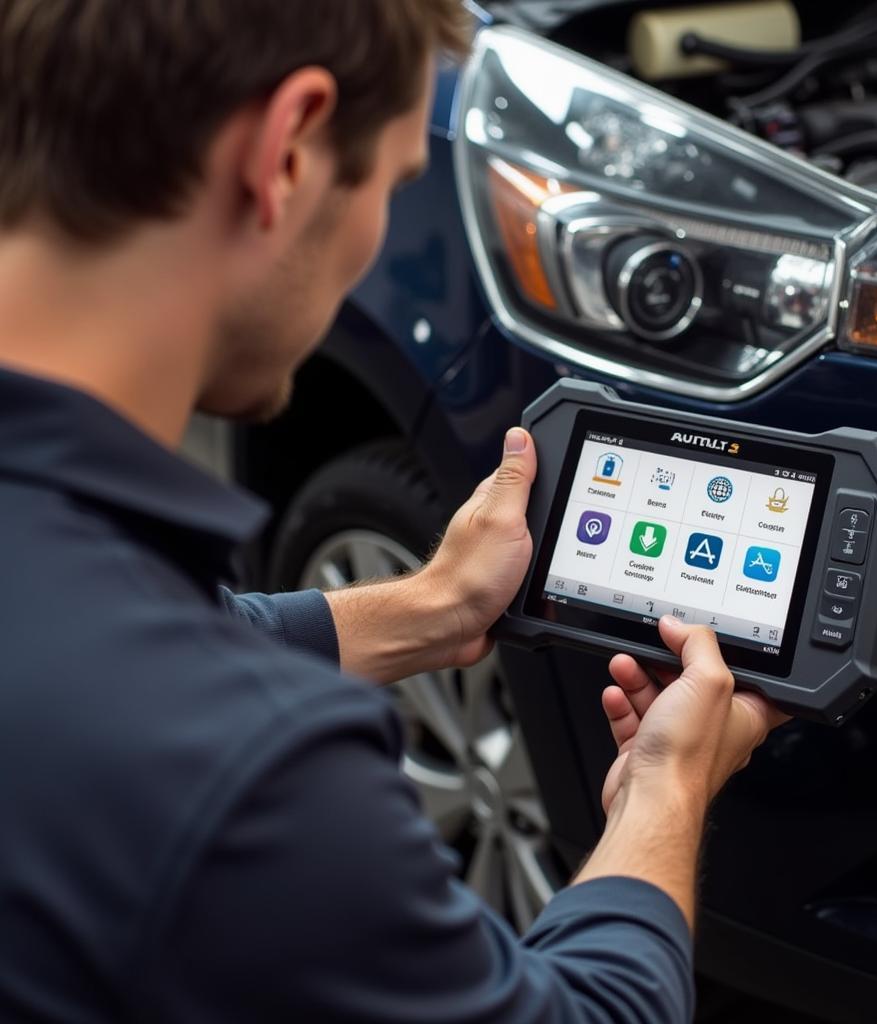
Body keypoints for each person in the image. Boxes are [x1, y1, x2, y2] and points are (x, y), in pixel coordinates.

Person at [0, 3, 787, 1021]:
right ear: (286, 152)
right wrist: (663, 791)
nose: (374, 236)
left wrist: (435, 607)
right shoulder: (250, 772)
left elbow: (103, 642)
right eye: (391, 180)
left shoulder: (84, 627)